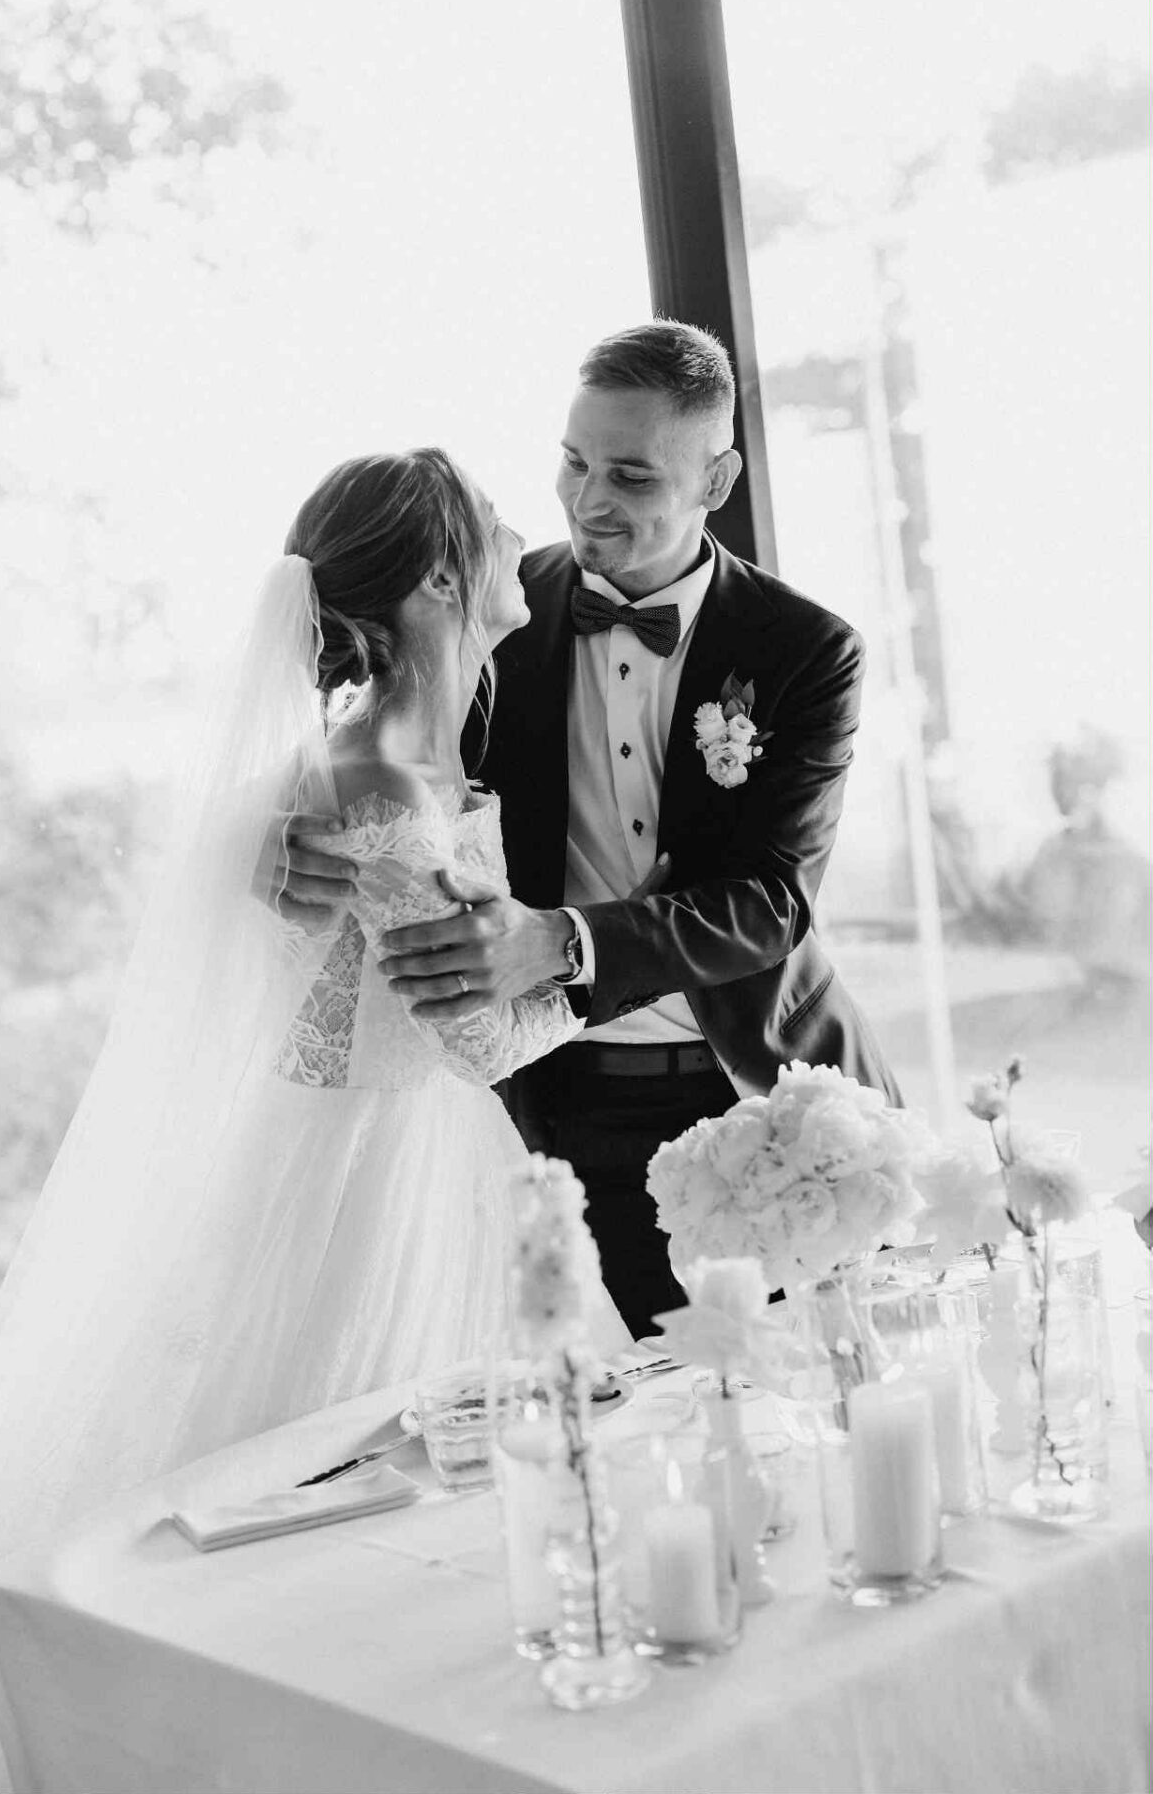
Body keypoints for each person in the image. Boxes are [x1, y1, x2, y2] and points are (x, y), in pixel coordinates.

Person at [0, 447, 625, 1792]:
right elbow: (474, 1039)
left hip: (351, 1145)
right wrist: (602, 980)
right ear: (440, 577)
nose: (525, 533)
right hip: (384, 1175)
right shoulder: (384, 784)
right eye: (493, 520)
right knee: (352, 1500)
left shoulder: (358, 764)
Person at [276, 323, 900, 1339]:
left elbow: (773, 901)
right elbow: (373, 750)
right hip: (560, 1113)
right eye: (573, 462)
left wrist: (562, 943)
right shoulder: (491, 609)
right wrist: (284, 833)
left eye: (631, 475)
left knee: (817, 1383)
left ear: (716, 479)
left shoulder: (805, 648)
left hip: (761, 1091)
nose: (587, 501)